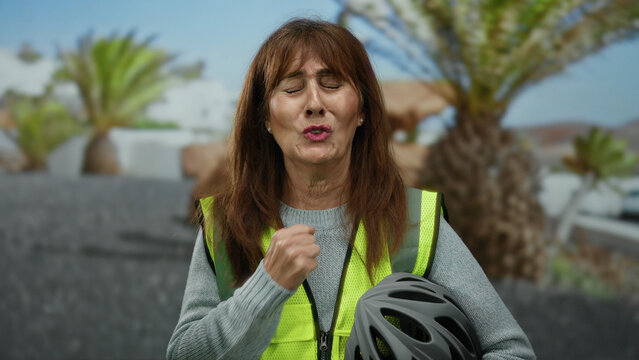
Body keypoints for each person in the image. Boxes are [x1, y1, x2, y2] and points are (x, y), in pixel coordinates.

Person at [167, 18, 536, 360]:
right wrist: (265, 287)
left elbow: (511, 350)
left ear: (361, 110)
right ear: (264, 117)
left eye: (332, 84)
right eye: (293, 87)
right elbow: (182, 354)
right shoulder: (225, 224)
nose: (314, 104)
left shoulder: (416, 223)